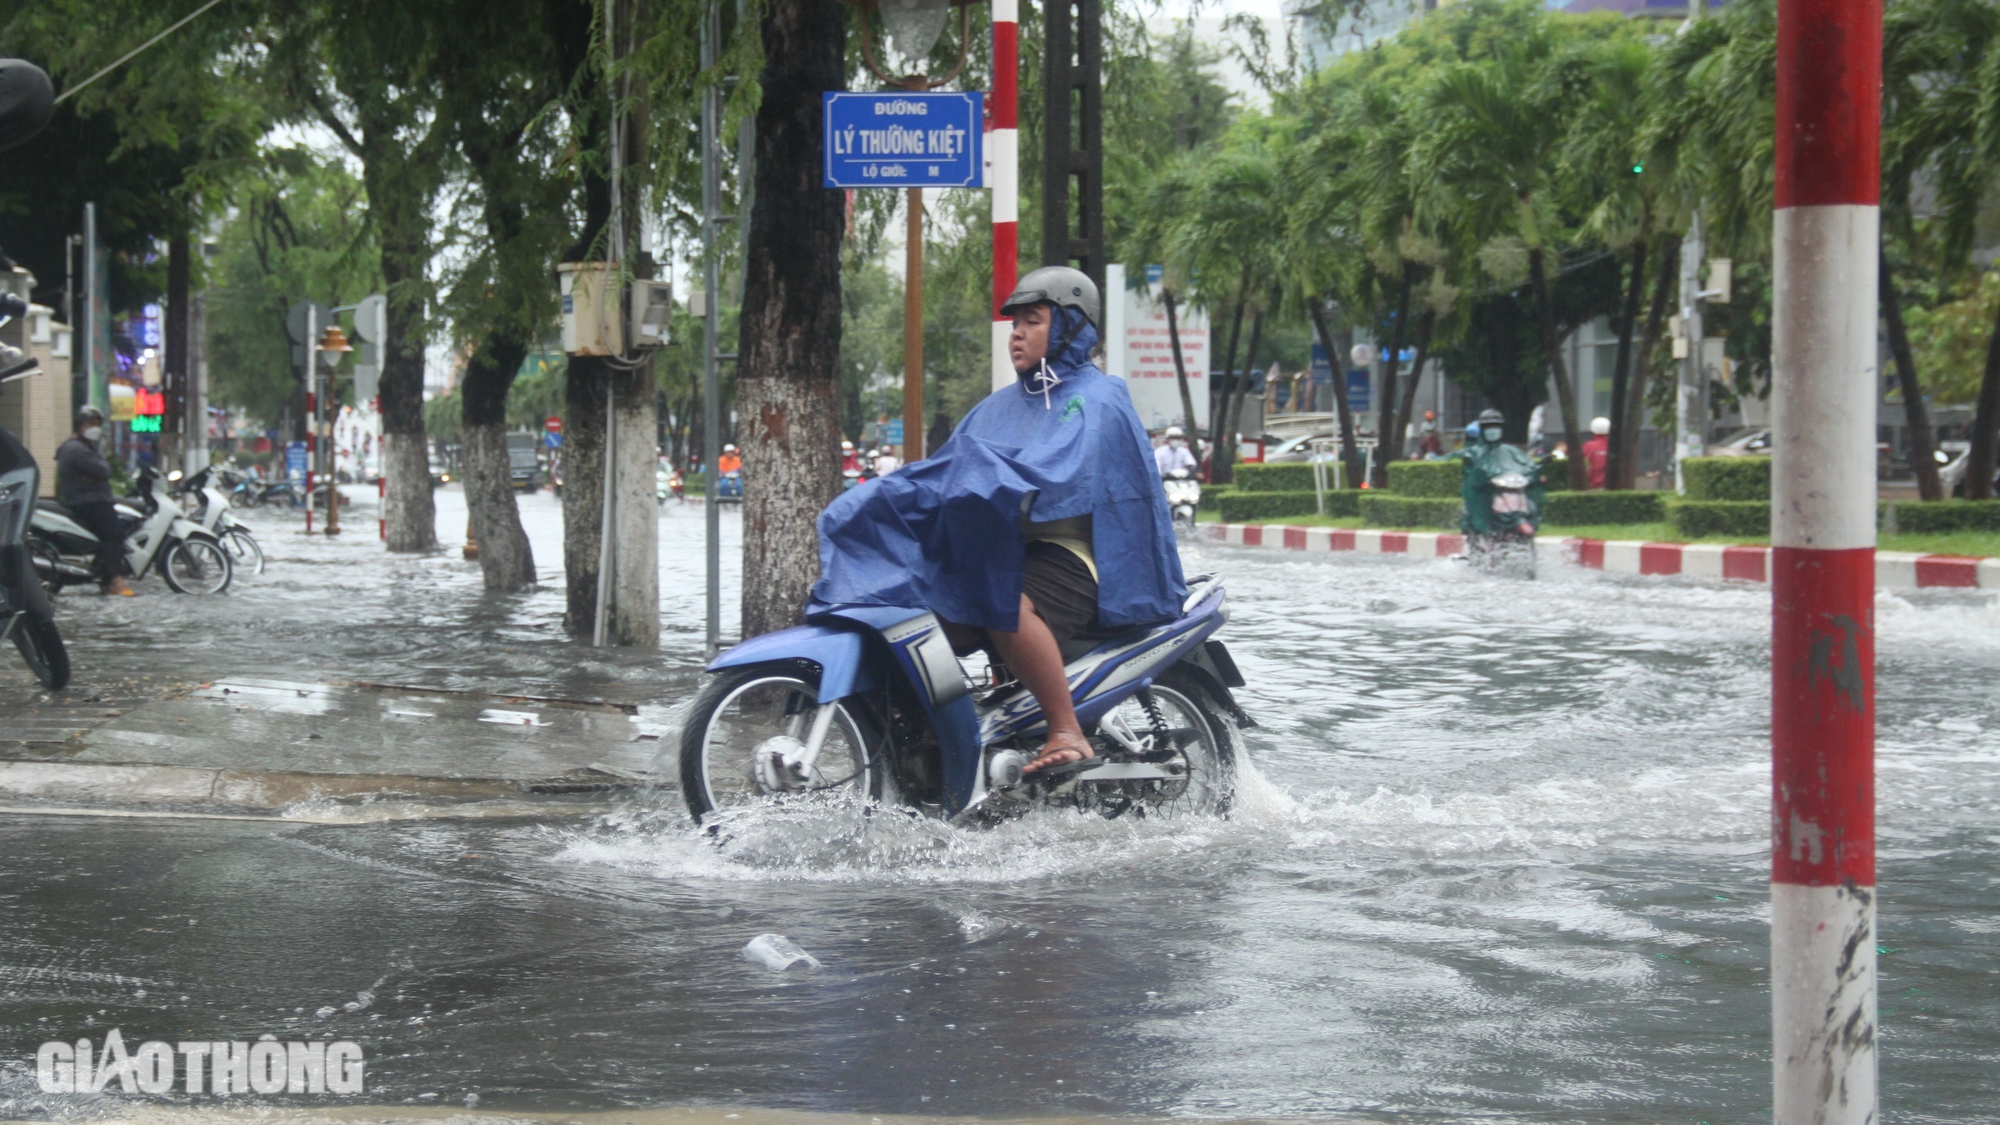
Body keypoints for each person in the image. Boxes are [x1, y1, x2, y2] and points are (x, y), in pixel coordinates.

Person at [809, 265, 1184, 775]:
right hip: (1007, 553)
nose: (1018, 334)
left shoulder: (1099, 396)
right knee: (905, 615)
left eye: (1033, 320)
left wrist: (987, 475)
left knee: (1004, 604)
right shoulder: (1000, 406)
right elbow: (949, 470)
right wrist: (889, 495)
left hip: (1079, 558)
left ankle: (1065, 729)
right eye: (1014, 324)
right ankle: (935, 738)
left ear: (1073, 326)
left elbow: (1057, 469)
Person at [55, 406, 133, 596]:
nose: (95, 428)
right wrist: (99, 471)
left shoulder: (84, 447)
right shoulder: (77, 449)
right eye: (90, 424)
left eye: (97, 424)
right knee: (113, 536)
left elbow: (100, 471)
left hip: (90, 499)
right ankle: (114, 580)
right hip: (90, 501)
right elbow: (103, 471)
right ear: (80, 426)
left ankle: (105, 577)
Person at [1583, 416, 1611, 490]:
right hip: (1612, 486)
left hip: (1592, 485)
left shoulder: (1588, 446)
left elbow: (1585, 465)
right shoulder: (1615, 446)